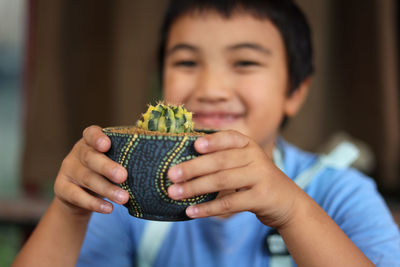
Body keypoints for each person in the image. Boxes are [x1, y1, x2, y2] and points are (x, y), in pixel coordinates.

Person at [13, 0, 400, 266]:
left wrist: (293, 211)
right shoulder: (125, 195)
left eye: (245, 62)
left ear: (295, 92)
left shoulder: (339, 192)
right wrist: (69, 211)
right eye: (186, 61)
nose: (210, 88)